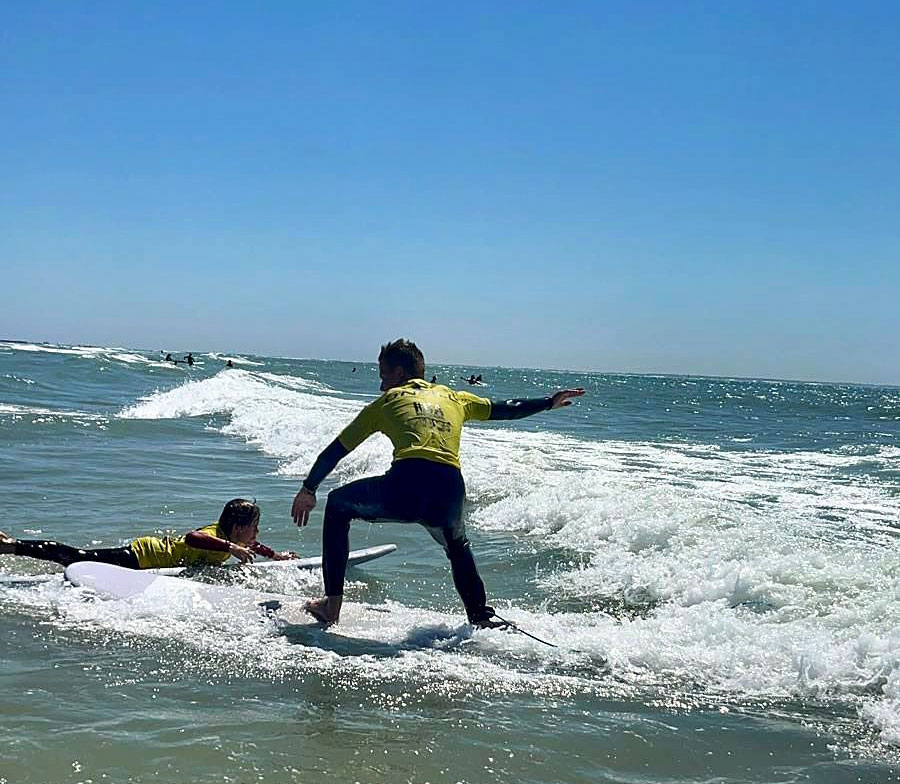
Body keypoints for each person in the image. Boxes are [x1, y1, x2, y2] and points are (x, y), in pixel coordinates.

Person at [291, 338, 584, 626]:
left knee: (338, 504)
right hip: (450, 489)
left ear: (399, 374)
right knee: (457, 544)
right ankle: (480, 616)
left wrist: (308, 489)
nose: (381, 385)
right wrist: (548, 402)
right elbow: (505, 408)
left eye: (383, 376)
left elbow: (337, 450)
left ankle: (332, 606)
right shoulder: (455, 397)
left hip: (406, 485)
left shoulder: (386, 402)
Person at [0, 499, 297, 570]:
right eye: (254, 526)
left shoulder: (237, 540)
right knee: (78, 558)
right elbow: (193, 537)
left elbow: (255, 545)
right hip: (143, 557)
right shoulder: (214, 535)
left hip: (151, 558)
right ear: (236, 528)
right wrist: (231, 548)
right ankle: (12, 547)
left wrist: (277, 556)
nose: (256, 532)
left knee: (80, 559)